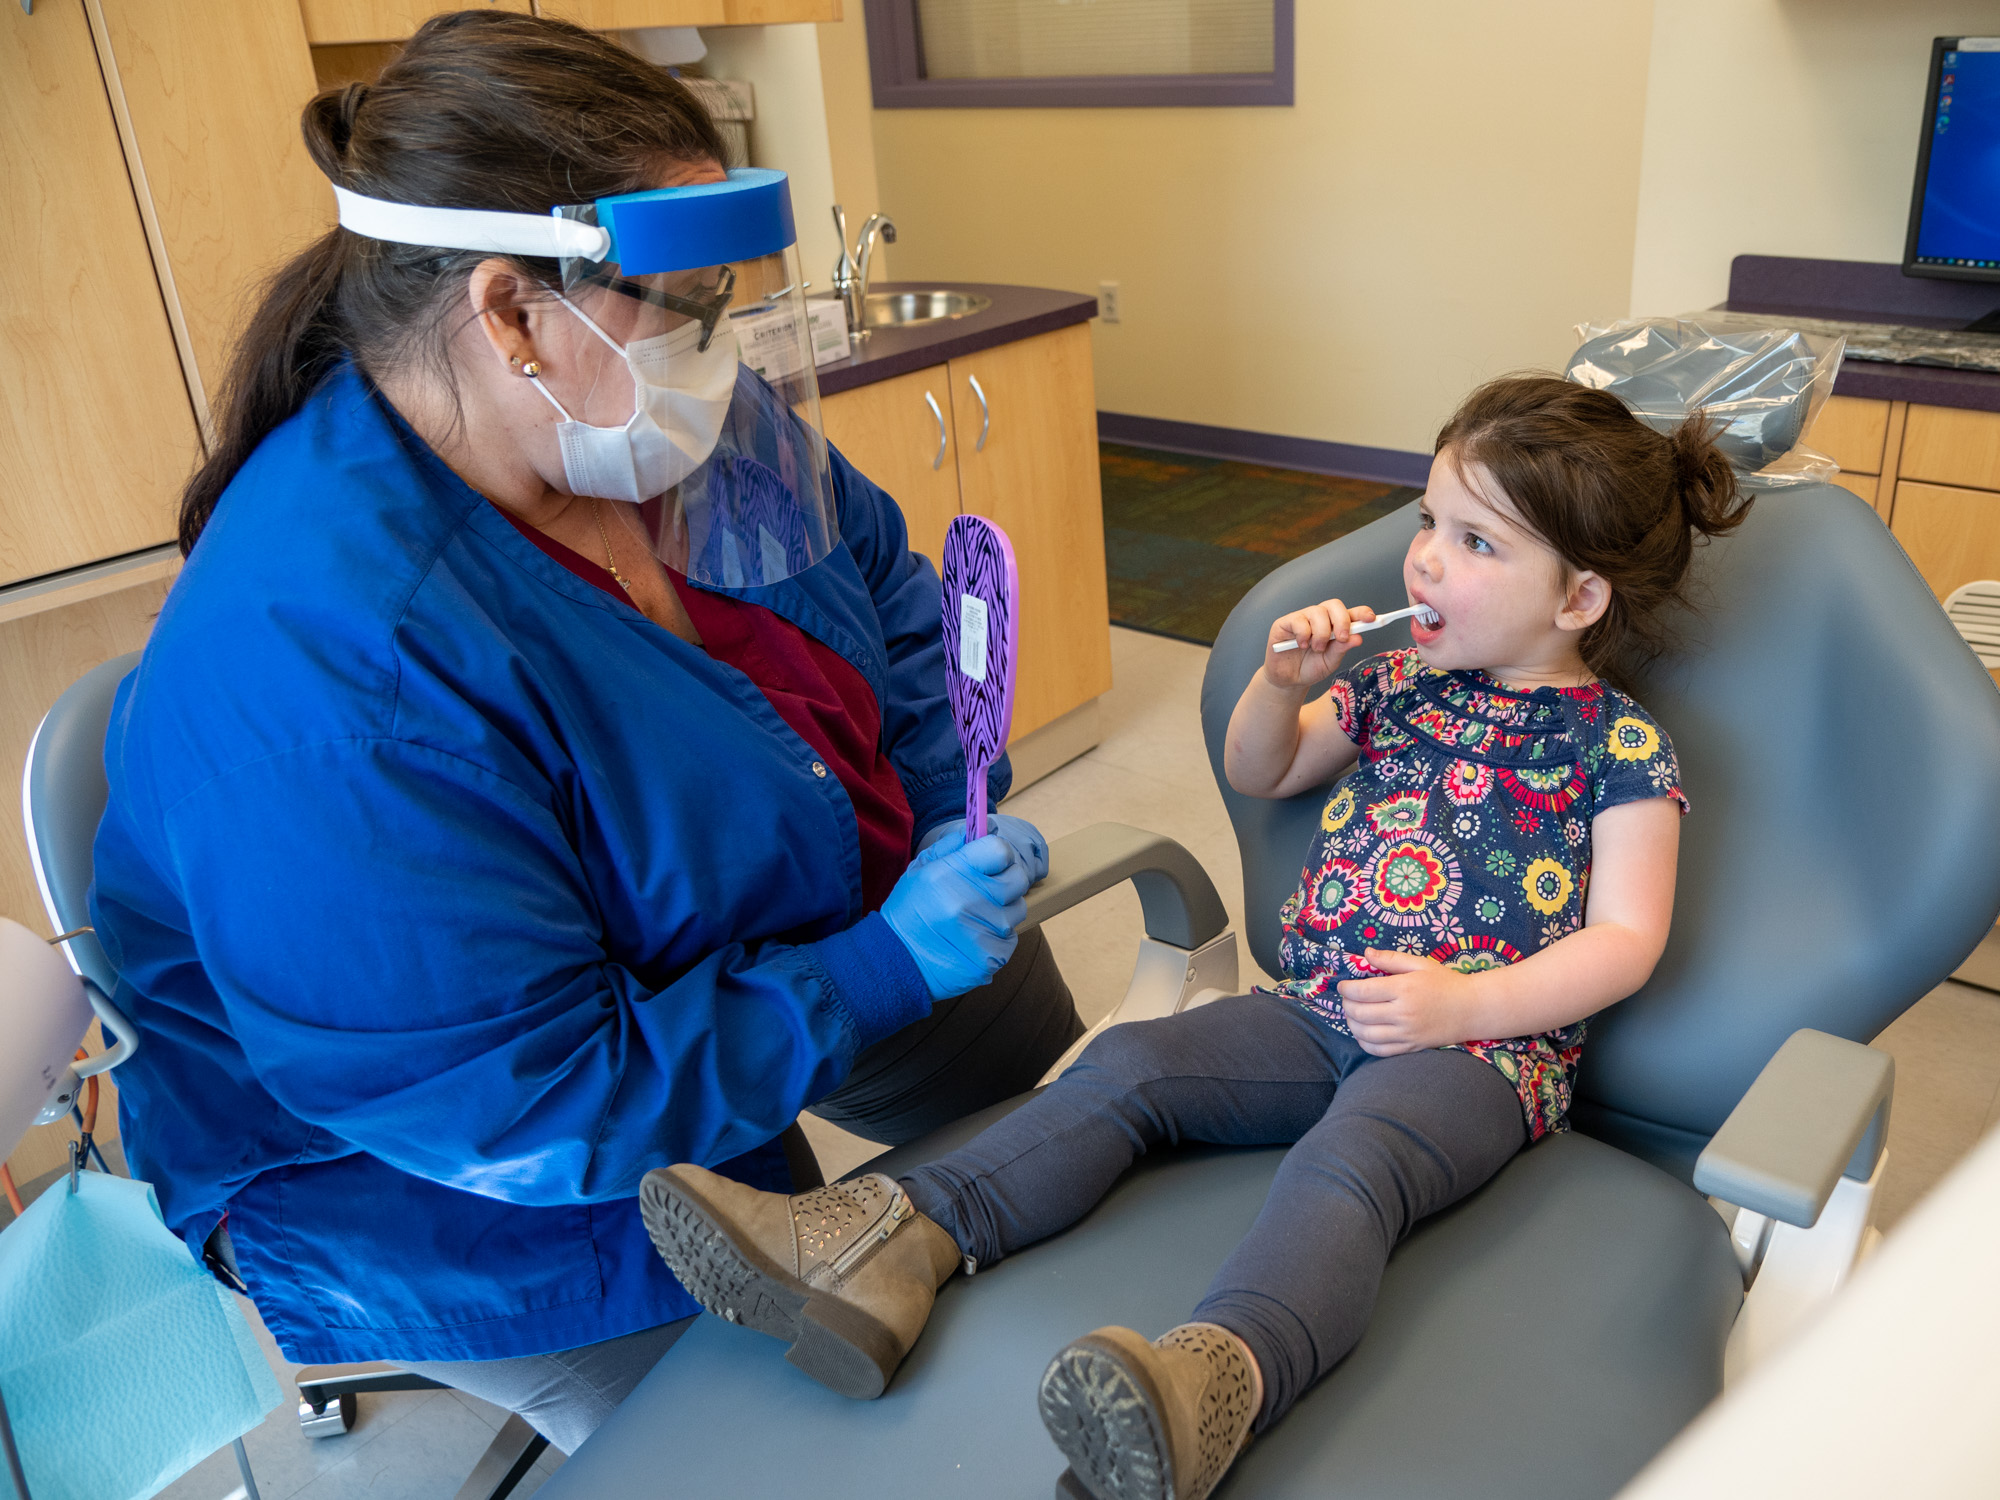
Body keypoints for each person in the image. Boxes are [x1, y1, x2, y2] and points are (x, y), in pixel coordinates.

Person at [89, 11, 1078, 1455]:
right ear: (507, 313)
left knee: (1073, 1144)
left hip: (766, 937)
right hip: (480, 1179)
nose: (718, 341)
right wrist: (875, 969)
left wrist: (943, 813)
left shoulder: (658, 418)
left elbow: (886, 591)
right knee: (843, 1439)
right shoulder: (337, 677)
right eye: (685, 299)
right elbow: (531, 1104)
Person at [642, 375, 1754, 1500]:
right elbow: (1257, 770)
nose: (1422, 559)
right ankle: (879, 1249)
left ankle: (1206, 1392)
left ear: (1577, 601)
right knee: (1127, 1066)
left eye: (1473, 542)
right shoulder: (1395, 684)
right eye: (1426, 521)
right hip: (1310, 1013)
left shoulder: (1616, 748)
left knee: (1350, 1162)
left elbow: (1624, 940)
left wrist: (1464, 1009)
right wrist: (1281, 688)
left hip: (1478, 1059)